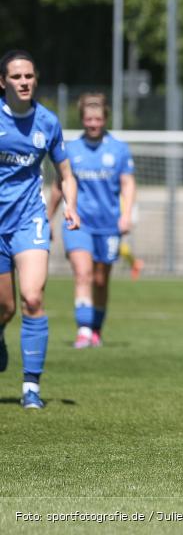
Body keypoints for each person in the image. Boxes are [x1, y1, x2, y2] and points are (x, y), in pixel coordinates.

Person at [0, 49, 80, 409]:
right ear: (3, 82)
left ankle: (31, 386)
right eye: (16, 77)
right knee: (4, 307)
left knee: (32, 297)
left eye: (29, 76)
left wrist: (71, 207)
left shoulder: (47, 122)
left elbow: (65, 173)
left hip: (30, 219)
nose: (24, 82)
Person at [48, 93, 136, 348]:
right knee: (83, 274)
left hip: (109, 224)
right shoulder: (71, 149)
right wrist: (47, 217)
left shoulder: (119, 149)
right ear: (82, 119)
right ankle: (84, 331)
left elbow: (128, 183)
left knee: (100, 279)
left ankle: (95, 328)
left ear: (105, 118)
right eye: (88, 119)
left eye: (97, 119)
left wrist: (127, 214)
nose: (93, 123)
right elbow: (58, 186)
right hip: (79, 223)